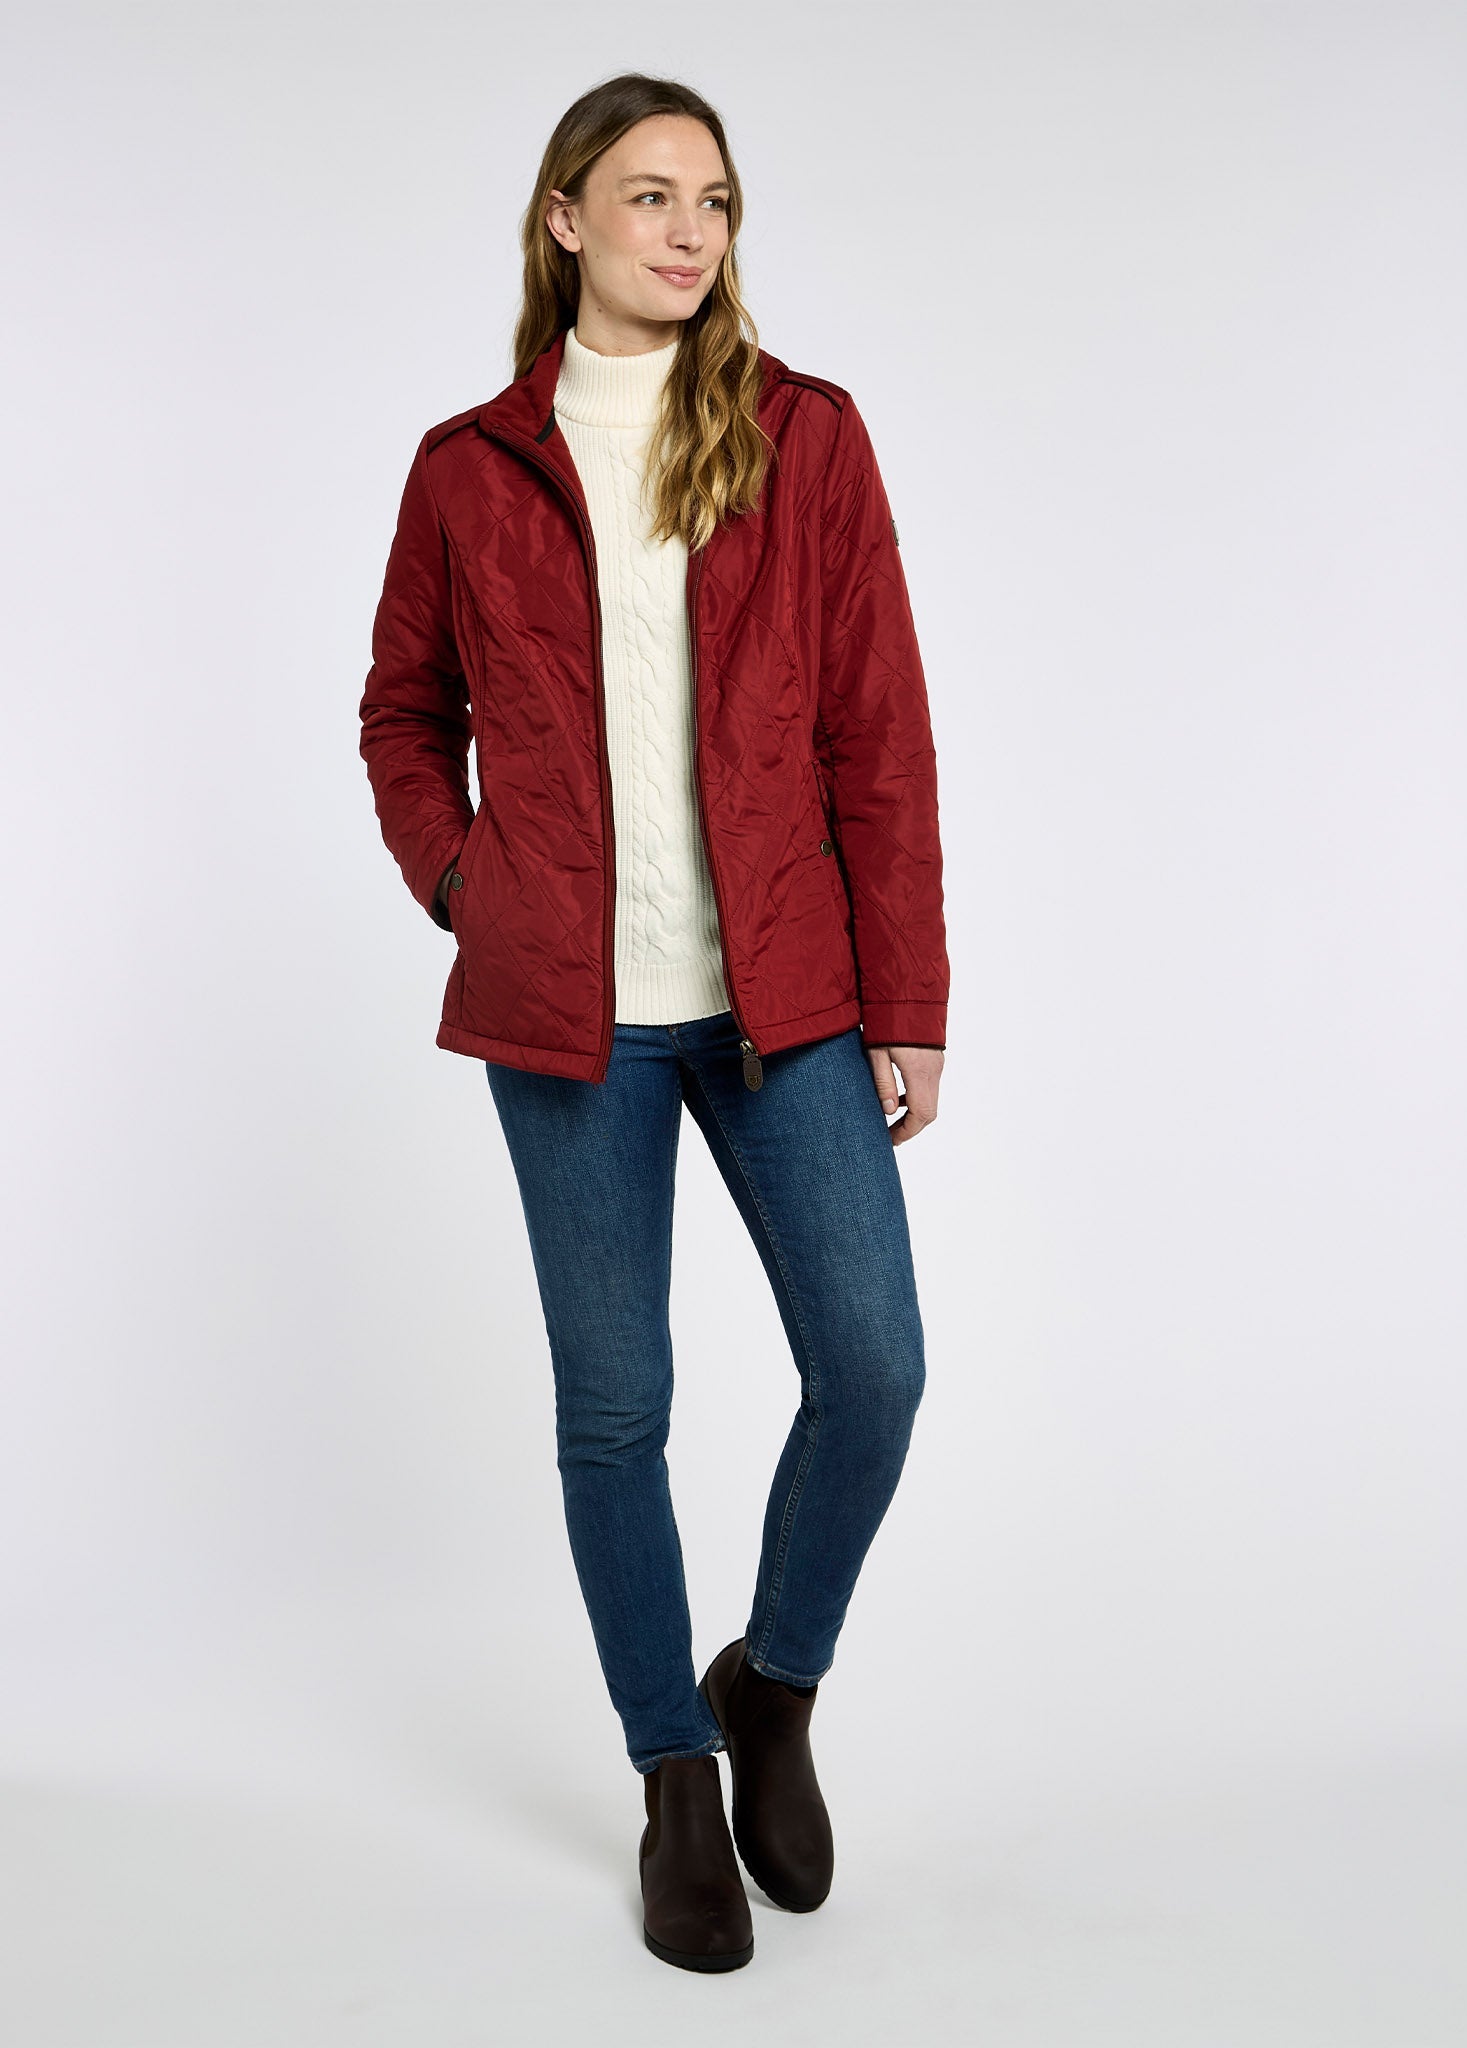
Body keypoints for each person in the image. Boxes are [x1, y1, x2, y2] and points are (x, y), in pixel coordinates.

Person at [359, 72, 950, 1973]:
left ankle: (770, 1682)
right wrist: (467, 885)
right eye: (647, 196)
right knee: (616, 1411)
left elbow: (879, 732)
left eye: (713, 201)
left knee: (873, 1369)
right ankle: (672, 1773)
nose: (688, 232)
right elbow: (400, 713)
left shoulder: (801, 434)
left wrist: (907, 998)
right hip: (568, 1016)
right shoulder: (470, 466)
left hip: (784, 999)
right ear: (564, 217)